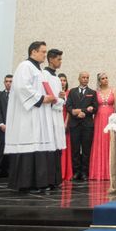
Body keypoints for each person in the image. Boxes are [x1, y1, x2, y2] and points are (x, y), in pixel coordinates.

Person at [4, 41, 58, 192]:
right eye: (43, 52)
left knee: (38, 145)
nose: (45, 55)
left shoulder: (38, 70)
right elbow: (22, 87)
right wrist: (41, 98)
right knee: (29, 144)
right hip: (27, 116)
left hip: (38, 115)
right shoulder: (25, 66)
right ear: (33, 52)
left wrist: (49, 97)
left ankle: (38, 182)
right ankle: (25, 183)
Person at [65, 71, 98, 181]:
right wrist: (77, 112)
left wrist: (85, 112)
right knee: (75, 150)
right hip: (74, 124)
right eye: (83, 77)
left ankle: (84, 173)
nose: (85, 79)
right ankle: (76, 172)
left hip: (87, 125)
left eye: (87, 77)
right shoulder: (72, 92)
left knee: (86, 150)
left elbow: (95, 108)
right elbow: (68, 106)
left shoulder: (92, 92)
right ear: (79, 78)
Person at [42, 49, 67, 189]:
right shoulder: (44, 76)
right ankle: (48, 180)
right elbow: (50, 98)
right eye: (59, 59)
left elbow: (59, 97)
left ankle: (56, 179)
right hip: (48, 116)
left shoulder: (56, 78)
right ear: (51, 59)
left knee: (57, 148)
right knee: (49, 149)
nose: (60, 62)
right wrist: (60, 99)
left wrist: (61, 97)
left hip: (57, 115)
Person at [89, 73, 115, 180]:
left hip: (110, 117)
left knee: (110, 141)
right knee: (99, 142)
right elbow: (94, 106)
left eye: (106, 78)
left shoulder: (113, 90)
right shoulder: (96, 92)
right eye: (103, 78)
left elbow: (115, 106)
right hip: (99, 119)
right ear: (99, 81)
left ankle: (110, 172)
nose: (105, 80)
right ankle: (98, 172)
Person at [58, 73, 73, 181]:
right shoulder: (54, 93)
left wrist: (66, 123)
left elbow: (69, 109)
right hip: (55, 120)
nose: (62, 82)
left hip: (65, 121)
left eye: (64, 80)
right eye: (60, 80)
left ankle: (65, 172)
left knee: (65, 147)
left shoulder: (69, 93)